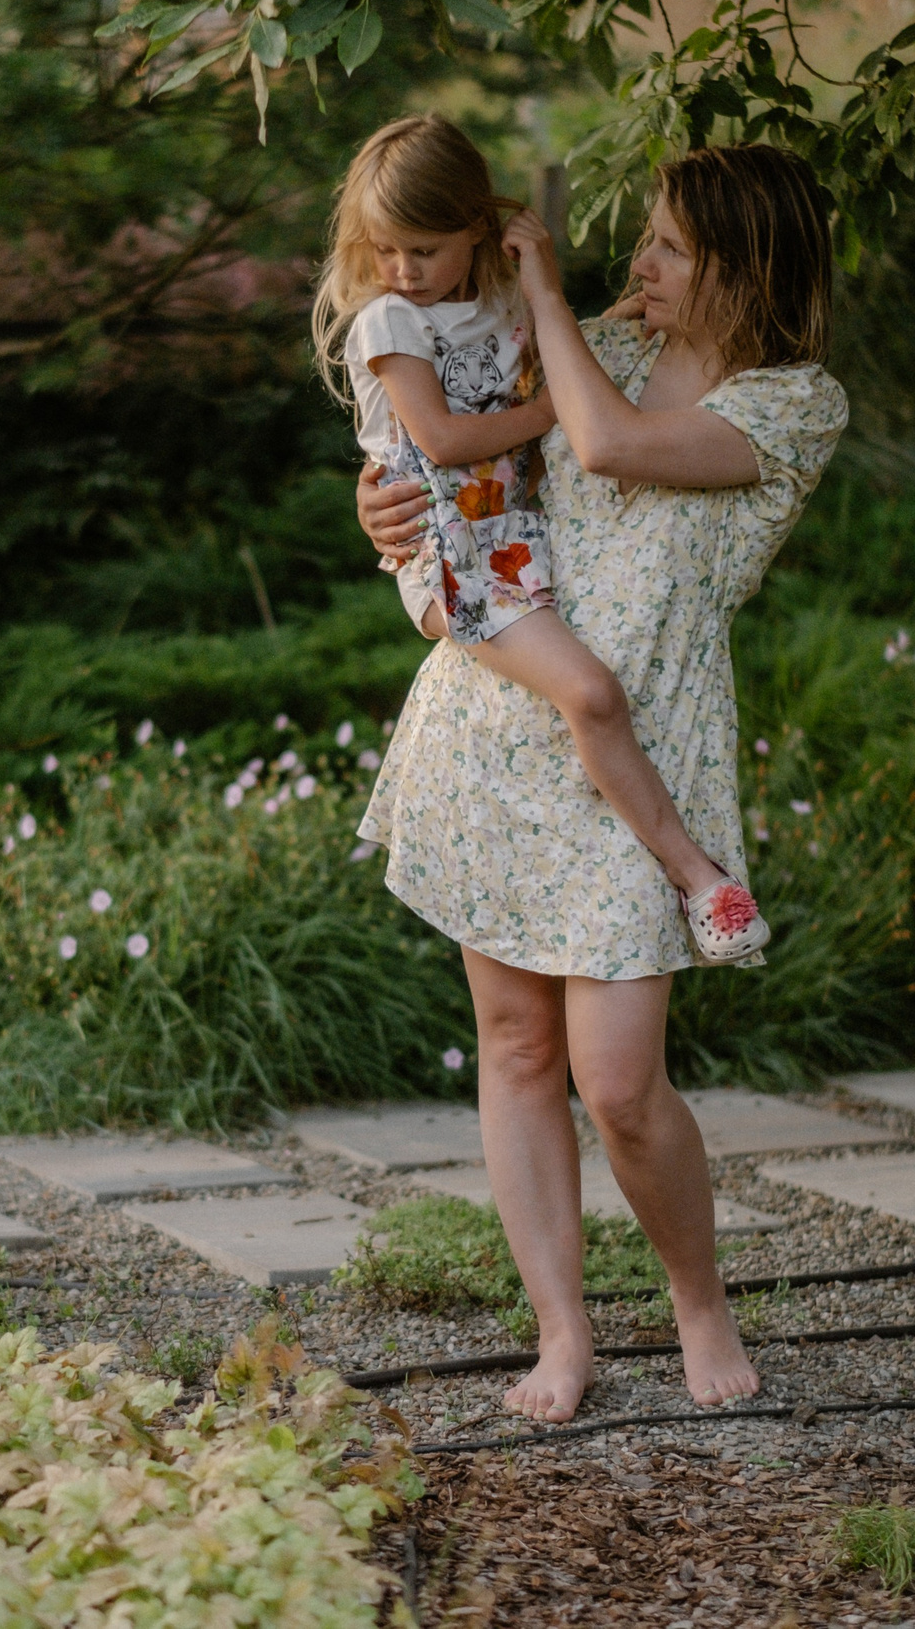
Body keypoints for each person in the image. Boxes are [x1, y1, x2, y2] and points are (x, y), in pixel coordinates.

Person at [354, 144, 849, 1420]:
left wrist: (554, 305)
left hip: (646, 752)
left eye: (670, 245)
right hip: (502, 725)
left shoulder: (793, 405)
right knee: (515, 1047)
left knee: (620, 1084)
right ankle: (561, 1334)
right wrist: (386, 511)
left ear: (746, 267)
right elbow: (458, 464)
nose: (639, 260)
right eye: (645, 236)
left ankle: (697, 1304)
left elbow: (605, 445)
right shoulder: (596, 347)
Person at [315, 115, 769, 961]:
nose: (402, 272)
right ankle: (701, 880)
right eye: (386, 251)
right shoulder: (390, 323)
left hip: (506, 541)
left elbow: (559, 353)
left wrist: (585, 301)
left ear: (478, 229)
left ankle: (692, 875)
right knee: (592, 693)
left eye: (424, 249)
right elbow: (444, 442)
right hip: (455, 553)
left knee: (585, 699)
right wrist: (551, 410)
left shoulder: (490, 303)